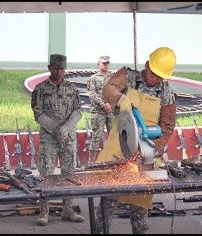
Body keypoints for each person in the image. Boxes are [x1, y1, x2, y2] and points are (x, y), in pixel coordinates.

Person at [94, 47, 177, 234]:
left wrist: (153, 150)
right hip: (118, 148)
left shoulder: (166, 93)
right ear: (147, 65)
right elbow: (108, 88)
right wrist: (120, 98)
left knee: (139, 210)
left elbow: (167, 127)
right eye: (154, 74)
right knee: (107, 204)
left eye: (160, 76)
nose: (156, 79)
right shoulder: (128, 77)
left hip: (144, 155)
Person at [31, 54, 85, 226]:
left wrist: (67, 128)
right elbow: (37, 113)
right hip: (49, 137)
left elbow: (78, 110)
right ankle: (44, 210)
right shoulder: (40, 89)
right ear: (49, 68)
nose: (59, 71)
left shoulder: (71, 88)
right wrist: (56, 129)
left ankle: (67, 209)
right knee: (46, 172)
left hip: (68, 137)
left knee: (68, 173)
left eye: (62, 68)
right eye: (56, 68)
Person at [87, 56, 114, 164]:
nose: (105, 65)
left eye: (107, 63)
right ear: (98, 64)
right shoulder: (93, 78)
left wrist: (112, 104)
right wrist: (103, 104)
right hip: (98, 112)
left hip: (111, 112)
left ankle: (113, 160)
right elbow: (92, 94)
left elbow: (117, 91)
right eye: (103, 63)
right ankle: (91, 162)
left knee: (113, 136)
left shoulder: (113, 77)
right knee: (96, 137)